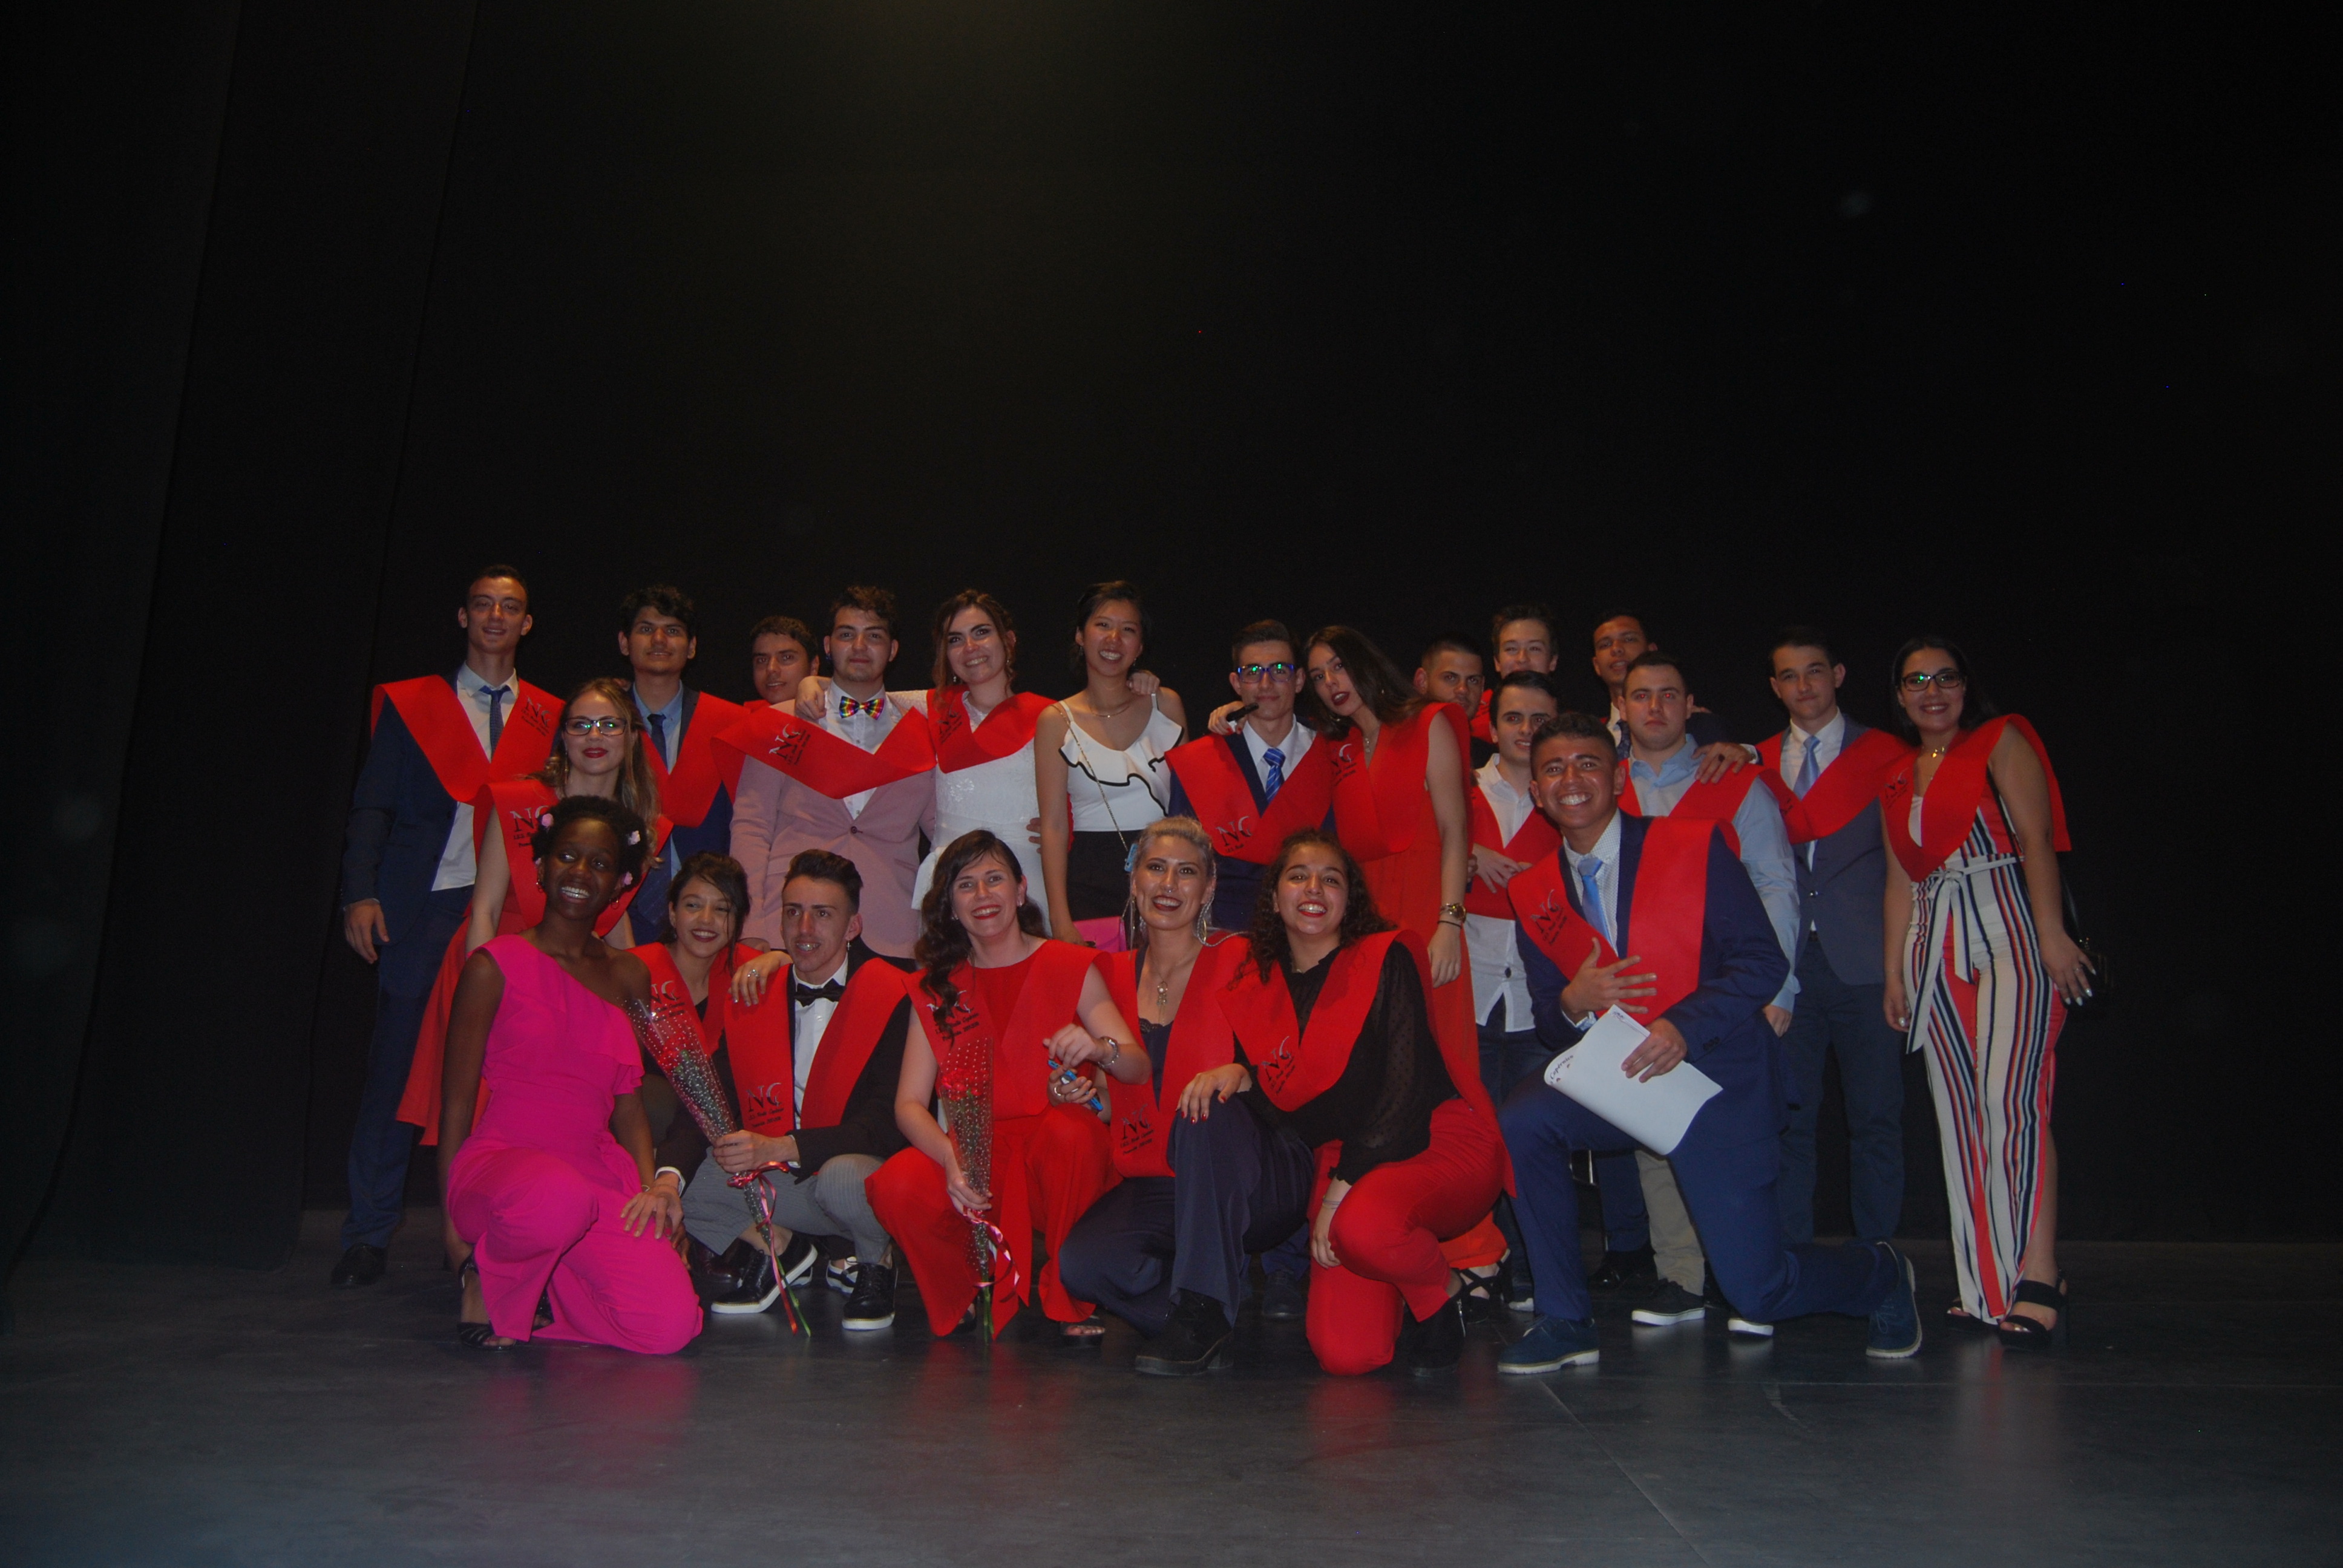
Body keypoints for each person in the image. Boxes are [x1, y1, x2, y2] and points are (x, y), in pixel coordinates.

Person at [1497, 714, 1920, 1373]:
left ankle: (1881, 1272)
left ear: (1617, 778)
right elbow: (1552, 1025)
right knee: (1523, 1118)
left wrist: (1683, 1027)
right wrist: (1573, 1002)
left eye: (1586, 763)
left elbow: (1761, 962)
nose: (1570, 779)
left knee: (1758, 1291)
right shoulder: (1534, 892)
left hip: (1715, 1079)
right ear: (1537, 792)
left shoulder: (1691, 845)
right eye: (1553, 769)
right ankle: (1564, 1318)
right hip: (1625, 1078)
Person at [1149, 831, 1506, 1377]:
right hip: (1343, 1161)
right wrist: (1242, 1074)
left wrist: (1340, 1192)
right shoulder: (1257, 987)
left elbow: (1403, 1095)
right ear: (1274, 899)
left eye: (1330, 880)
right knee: (1348, 1354)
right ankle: (1399, 1264)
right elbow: (1285, 1114)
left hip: (1432, 1141)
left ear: (1348, 900)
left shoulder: (1385, 958)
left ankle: (1442, 1291)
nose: (1314, 888)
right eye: (1298, 876)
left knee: (1362, 1229)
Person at [332, 566, 560, 1288]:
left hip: (514, 913)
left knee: (504, 1082)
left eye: (510, 607)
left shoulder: (550, 716)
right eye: (483, 605)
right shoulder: (416, 705)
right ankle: (367, 1234)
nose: (496, 616)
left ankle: (476, 1235)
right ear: (462, 616)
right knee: (396, 1073)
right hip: (423, 908)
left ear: (527, 624)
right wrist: (359, 894)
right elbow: (372, 806)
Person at [437, 794, 701, 1354]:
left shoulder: (630, 975)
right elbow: (456, 1104)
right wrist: (451, 1231)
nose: (580, 872)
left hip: (594, 1175)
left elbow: (628, 1103)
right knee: (557, 1198)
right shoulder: (492, 966)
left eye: (600, 863)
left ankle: (540, 1290)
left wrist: (652, 1192)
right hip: (501, 1172)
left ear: (621, 884)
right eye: (567, 856)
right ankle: (486, 1276)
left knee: (669, 1328)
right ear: (540, 866)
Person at [1882, 638, 2087, 1350]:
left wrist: (2051, 935)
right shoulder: (1896, 775)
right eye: (1916, 680)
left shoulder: (1999, 741)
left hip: (2007, 930)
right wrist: (1894, 972)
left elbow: (2035, 839)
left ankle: (2039, 1274)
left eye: (1944, 678)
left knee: (2009, 1103)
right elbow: (1899, 880)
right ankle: (1986, 1287)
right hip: (1931, 945)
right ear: (1899, 695)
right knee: (1960, 1118)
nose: (1930, 691)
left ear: (1965, 686)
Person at [864, 831, 1145, 1339]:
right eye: (966, 885)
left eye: (994, 879)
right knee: (895, 1182)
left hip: (1055, 1160)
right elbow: (908, 1104)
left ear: (1020, 890)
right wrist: (951, 1157)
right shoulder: (936, 989)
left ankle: (1071, 1295)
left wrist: (1099, 1049)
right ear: (951, 907)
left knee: (1073, 1133)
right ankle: (962, 1288)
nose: (983, 895)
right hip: (975, 1159)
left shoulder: (1070, 964)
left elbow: (1136, 1067)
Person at [1611, 649, 1802, 1333]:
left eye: (1669, 694)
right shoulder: (1600, 785)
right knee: (1655, 1138)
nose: (1654, 707)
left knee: (1738, 1139)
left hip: (1728, 993)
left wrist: (1780, 988)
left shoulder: (1733, 782)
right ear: (1621, 706)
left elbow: (1776, 882)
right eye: (1641, 695)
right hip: (1641, 995)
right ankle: (1681, 1278)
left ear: (1690, 704)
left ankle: (1752, 1276)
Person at [395, 678, 669, 1150]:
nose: (595, 736)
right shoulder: (522, 802)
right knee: (479, 1119)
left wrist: (645, 1005)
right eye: (581, 725)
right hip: (500, 968)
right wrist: (489, 997)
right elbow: (484, 908)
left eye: (609, 725)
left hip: (575, 978)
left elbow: (612, 917)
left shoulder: (637, 823)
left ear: (630, 737)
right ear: (563, 736)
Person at [674, 851, 919, 1331]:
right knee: (694, 1182)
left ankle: (875, 1263)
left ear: (853, 927)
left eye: (822, 914)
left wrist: (781, 1147)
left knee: (841, 1178)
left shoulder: (896, 992)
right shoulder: (757, 990)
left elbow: (887, 1125)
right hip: (788, 1177)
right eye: (793, 912)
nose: (805, 929)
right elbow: (712, 1096)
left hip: (862, 1176)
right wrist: (666, 1177)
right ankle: (784, 1249)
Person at [1053, 820, 1267, 1340]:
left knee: (1209, 1118)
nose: (1169, 885)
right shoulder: (1107, 975)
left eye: (1186, 872)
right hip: (1154, 1182)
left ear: (1209, 888)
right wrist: (1083, 1098)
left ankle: (1204, 1298)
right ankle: (1202, 1306)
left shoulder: (1242, 959)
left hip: (1237, 1179)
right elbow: (1115, 1103)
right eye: (1156, 868)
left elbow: (1282, 1072)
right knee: (1082, 1266)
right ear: (1134, 882)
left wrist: (1239, 1074)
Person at [1751, 629, 1915, 1255]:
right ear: (1774, 687)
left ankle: (1878, 1260)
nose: (1804, 686)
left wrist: (1900, 966)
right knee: (1790, 1120)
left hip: (1867, 964)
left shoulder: (1886, 754)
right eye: (1789, 676)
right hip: (1786, 969)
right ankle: (1789, 1260)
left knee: (1876, 1119)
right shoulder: (1754, 761)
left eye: (1814, 671)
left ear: (1838, 675)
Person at [723, 587, 937, 958]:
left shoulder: (922, 732)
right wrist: (750, 924)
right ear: (827, 645)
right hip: (791, 923)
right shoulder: (780, 723)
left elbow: (942, 831)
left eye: (874, 636)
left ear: (893, 650)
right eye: (847, 634)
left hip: (892, 927)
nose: (859, 646)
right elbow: (751, 828)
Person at [1463, 670, 1564, 1302]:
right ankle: (1480, 1258)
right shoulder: (1459, 790)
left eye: (1538, 720)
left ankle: (1532, 1265)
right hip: (1467, 990)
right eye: (1513, 718)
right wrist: (1469, 857)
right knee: (1473, 1137)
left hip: (1539, 995)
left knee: (1531, 1140)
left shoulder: (1571, 794)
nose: (1525, 731)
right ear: (1492, 724)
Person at [1035, 581, 1187, 950]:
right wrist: (1060, 920)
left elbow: (1190, 806)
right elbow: (1054, 826)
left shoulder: (1166, 704)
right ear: (1080, 635)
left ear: (1140, 647)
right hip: (1089, 881)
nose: (1114, 639)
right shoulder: (1055, 720)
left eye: (1128, 630)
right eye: (1103, 625)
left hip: (1166, 878)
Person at [1165, 619, 1338, 934]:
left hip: (1316, 926)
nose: (1266, 684)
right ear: (1236, 682)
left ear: (1299, 680)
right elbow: (1183, 863)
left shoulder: (1335, 754)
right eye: (1253, 672)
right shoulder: (1199, 763)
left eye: (1280, 670)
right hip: (1226, 931)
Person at [620, 584, 744, 891]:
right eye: (646, 629)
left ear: (691, 647)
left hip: (708, 898)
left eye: (673, 631)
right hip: (617, 898)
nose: (659, 640)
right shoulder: (600, 722)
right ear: (624, 643)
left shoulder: (730, 724)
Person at [1588, 610, 1731, 751]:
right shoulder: (1588, 737)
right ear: (1596, 665)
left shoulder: (1698, 725)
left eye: (1629, 639)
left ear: (1652, 651)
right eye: (1605, 645)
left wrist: (1743, 752)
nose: (1616, 649)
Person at [747, 615, 818, 710]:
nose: (771, 669)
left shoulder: (834, 714)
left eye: (786, 658)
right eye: (762, 660)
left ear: (813, 666)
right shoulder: (742, 717)